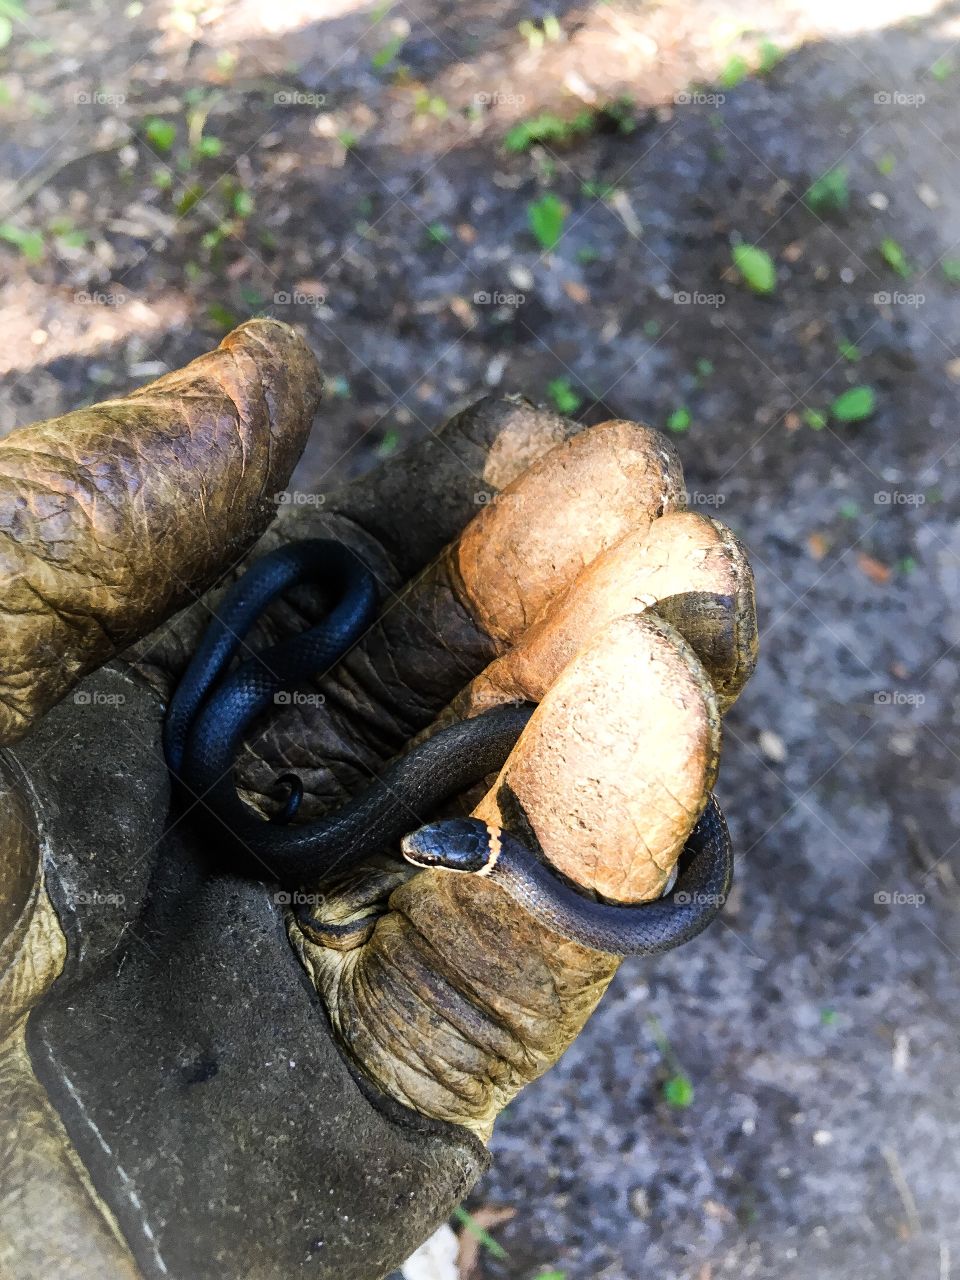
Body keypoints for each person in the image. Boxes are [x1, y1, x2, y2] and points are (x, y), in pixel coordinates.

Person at [0, 319, 757, 1279]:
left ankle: (238, 735)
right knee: (231, 743)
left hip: (262, 774)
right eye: (448, 844)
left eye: (442, 848)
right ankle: (238, 729)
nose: (423, 848)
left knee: (255, 742)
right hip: (247, 781)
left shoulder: (499, 848)